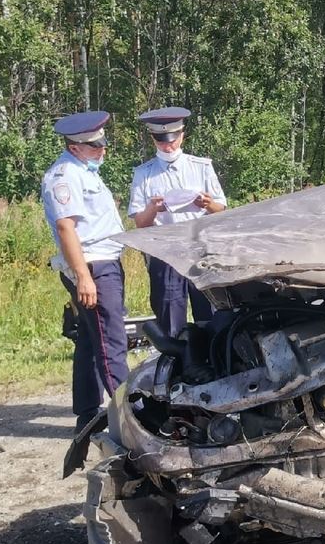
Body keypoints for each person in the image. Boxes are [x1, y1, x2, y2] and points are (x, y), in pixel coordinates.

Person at [41, 111, 129, 431]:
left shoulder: (85, 172)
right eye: (95, 146)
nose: (102, 150)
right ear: (75, 146)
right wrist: (83, 276)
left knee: (92, 341)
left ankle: (88, 412)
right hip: (92, 266)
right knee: (111, 342)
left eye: (103, 143)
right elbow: (66, 228)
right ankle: (131, 415)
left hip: (102, 263)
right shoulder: (64, 176)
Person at [128, 106, 227, 338]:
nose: (168, 146)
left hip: (201, 248)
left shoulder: (201, 167)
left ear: (182, 135)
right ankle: (176, 363)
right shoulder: (143, 174)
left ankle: (214, 360)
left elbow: (221, 208)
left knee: (212, 313)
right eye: (161, 141)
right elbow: (140, 223)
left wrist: (207, 204)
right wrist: (153, 209)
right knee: (171, 315)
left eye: (172, 140)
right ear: (153, 139)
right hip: (165, 251)